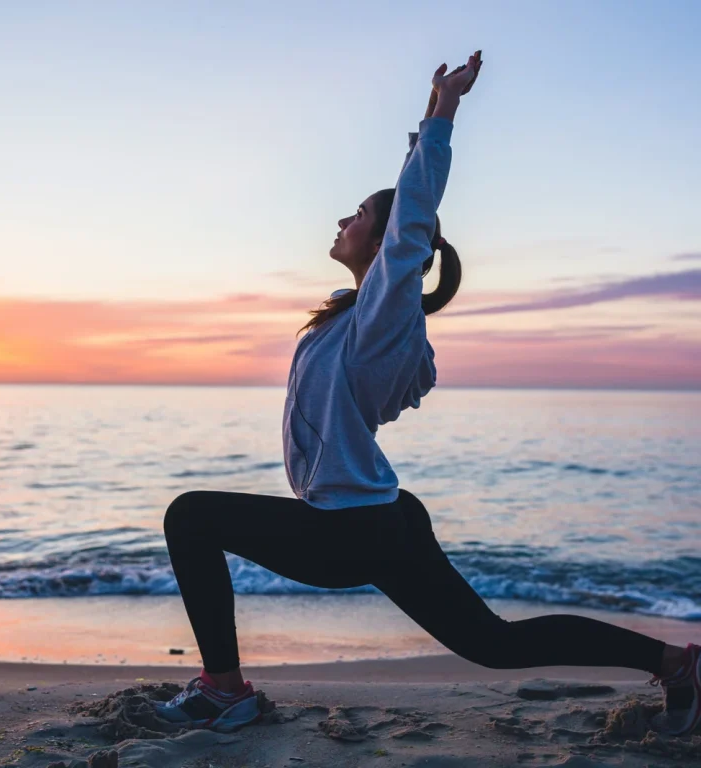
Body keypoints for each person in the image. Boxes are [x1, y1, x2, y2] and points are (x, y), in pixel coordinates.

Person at [156, 51, 700, 735]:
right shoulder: (353, 315)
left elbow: (412, 216)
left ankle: (224, 691)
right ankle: (678, 664)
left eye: (358, 214)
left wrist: (443, 111)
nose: (342, 220)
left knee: (190, 517)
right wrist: (421, 133)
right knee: (493, 644)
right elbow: (401, 226)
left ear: (387, 243)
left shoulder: (385, 320)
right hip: (377, 518)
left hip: (353, 528)